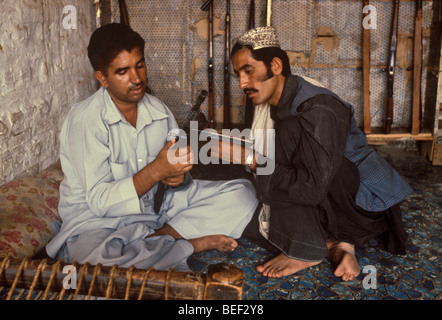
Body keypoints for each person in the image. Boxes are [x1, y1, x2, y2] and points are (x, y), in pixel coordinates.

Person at [44, 23, 258, 272]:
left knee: (243, 193)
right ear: (103, 78)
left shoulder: (157, 110)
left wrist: (177, 177)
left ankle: (162, 237)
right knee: (95, 264)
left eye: (140, 65)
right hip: (98, 221)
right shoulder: (85, 121)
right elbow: (100, 202)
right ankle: (190, 244)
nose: (136, 79)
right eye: (122, 71)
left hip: (157, 210)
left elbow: (174, 175)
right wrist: (158, 170)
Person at [212, 26, 412, 280]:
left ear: (275, 66)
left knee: (286, 138)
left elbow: (310, 187)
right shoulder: (274, 98)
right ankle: (340, 245)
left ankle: (304, 250)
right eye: (238, 74)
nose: (242, 83)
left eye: (248, 71)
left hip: (361, 206)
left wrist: (249, 159)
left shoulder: (316, 108)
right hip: (332, 202)